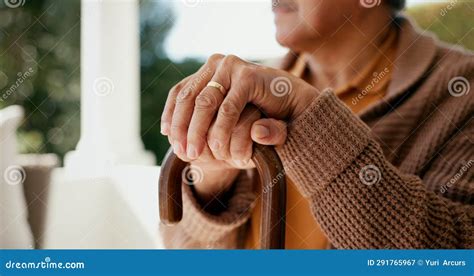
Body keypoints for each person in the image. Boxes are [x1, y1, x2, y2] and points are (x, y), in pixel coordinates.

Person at [160, 0, 474, 249]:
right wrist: (212, 182)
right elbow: (182, 250)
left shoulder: (463, 90)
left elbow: (453, 255)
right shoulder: (249, 92)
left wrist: (312, 121)